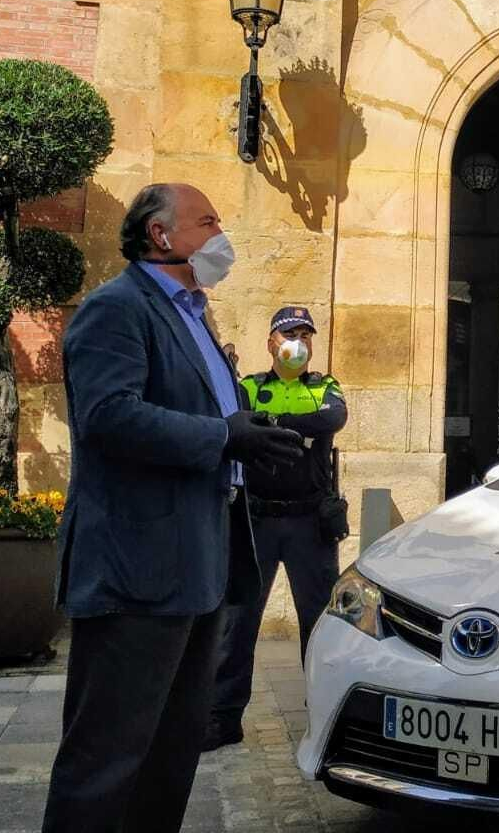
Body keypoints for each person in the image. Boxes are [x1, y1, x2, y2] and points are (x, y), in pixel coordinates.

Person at [42, 184, 304, 833]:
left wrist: (247, 434)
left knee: (171, 755)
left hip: (200, 567)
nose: (222, 234)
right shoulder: (117, 309)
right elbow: (108, 417)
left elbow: (202, 414)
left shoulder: (195, 314)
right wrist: (224, 437)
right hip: (137, 569)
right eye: (208, 221)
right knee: (106, 762)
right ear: (162, 236)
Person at [205, 305, 349, 751]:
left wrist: (270, 426)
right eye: (290, 334)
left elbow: (331, 419)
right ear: (271, 341)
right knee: (239, 620)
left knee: (320, 623)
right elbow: (236, 425)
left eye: (305, 335)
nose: (298, 343)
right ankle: (223, 718)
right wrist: (295, 431)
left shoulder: (325, 385)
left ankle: (326, 717)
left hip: (310, 521)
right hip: (258, 519)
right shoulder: (248, 386)